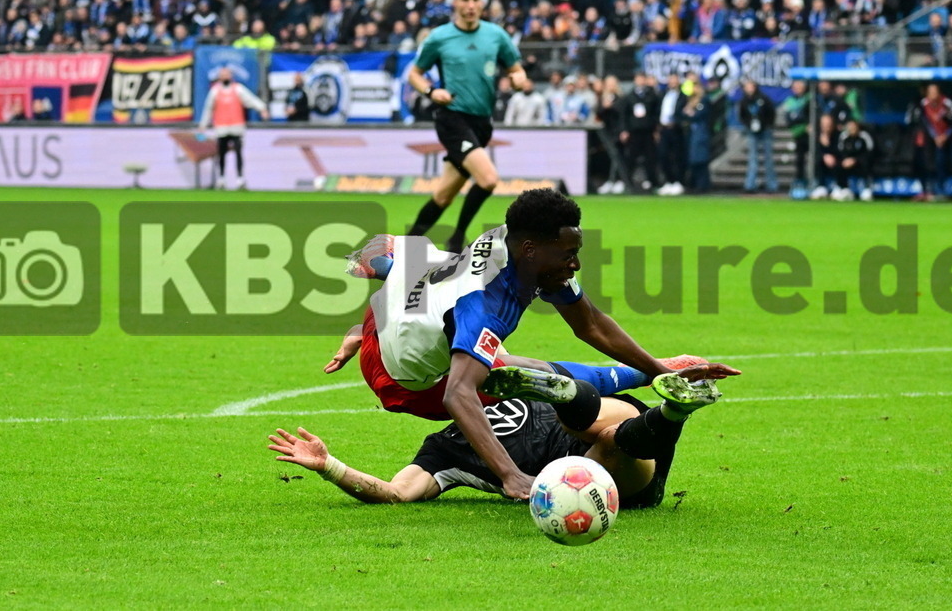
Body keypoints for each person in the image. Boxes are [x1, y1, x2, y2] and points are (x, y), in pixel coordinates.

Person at [338, 188, 740, 499]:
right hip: (403, 380)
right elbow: (458, 395)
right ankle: (572, 382)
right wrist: (511, 475)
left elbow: (592, 325)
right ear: (530, 251)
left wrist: (661, 372)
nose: (575, 264)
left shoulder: (520, 251)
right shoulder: (485, 306)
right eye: (568, 254)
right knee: (509, 372)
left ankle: (383, 283)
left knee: (404, 256)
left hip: (412, 309)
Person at [268, 360, 725, 508]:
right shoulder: (444, 450)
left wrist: (663, 367)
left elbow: (602, 372)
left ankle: (657, 402)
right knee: (599, 443)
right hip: (612, 477)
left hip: (612, 416)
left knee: (580, 413)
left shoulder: (502, 375)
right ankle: (676, 411)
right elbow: (396, 492)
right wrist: (330, 466)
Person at [405, 0, 527, 253]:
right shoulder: (439, 37)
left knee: (444, 195)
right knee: (488, 179)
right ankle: (457, 238)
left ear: (482, 3)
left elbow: (517, 70)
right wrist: (431, 91)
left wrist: (519, 79)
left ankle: (406, 247)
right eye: (465, 0)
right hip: (452, 119)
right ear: (455, 4)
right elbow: (414, 74)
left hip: (482, 124)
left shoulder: (496, 36)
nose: (471, 6)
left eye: (475, 0)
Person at [198, 66, 270, 190]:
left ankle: (240, 179)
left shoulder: (238, 89)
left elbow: (250, 100)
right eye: (223, 75)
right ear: (219, 77)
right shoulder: (215, 91)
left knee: (238, 153)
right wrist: (203, 124)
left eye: (227, 74)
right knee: (221, 154)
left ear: (231, 76)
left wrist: (262, 108)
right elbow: (208, 108)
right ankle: (221, 179)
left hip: (236, 127)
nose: (225, 77)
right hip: (221, 128)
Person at [619, 71, 660, 193]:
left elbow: (655, 114)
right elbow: (624, 115)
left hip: (647, 131)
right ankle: (627, 182)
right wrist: (624, 130)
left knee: (650, 158)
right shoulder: (629, 96)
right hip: (634, 131)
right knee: (630, 158)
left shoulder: (651, 95)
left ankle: (652, 182)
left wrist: (655, 129)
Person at [738, 79, 778, 193]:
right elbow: (742, 116)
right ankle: (750, 185)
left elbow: (771, 113)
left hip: (765, 130)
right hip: (752, 131)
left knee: (768, 159)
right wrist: (749, 125)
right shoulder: (744, 101)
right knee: (753, 159)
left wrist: (767, 125)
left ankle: (772, 185)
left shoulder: (763, 99)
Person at [780, 80, 811, 197]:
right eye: (795, 86)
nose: (797, 88)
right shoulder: (790, 101)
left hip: (810, 133)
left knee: (816, 157)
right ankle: (800, 182)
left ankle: (817, 181)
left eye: (800, 86)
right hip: (798, 133)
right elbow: (789, 119)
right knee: (800, 159)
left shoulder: (809, 98)